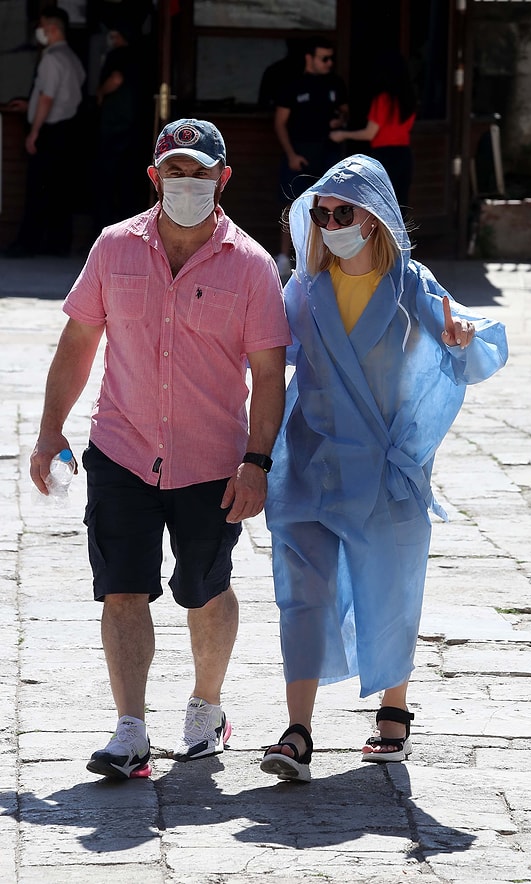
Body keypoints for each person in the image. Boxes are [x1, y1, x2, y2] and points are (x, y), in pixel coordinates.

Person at [30, 118, 291, 780]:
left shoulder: (255, 267)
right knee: (122, 590)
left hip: (212, 462)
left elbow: (268, 374)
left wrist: (257, 463)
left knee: (205, 589)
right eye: (174, 170)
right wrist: (49, 429)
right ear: (154, 176)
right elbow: (79, 343)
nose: (187, 182)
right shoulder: (114, 249)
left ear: (223, 178)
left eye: (200, 171)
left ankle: (206, 709)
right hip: (122, 450)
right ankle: (130, 731)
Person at [260, 154, 508, 783]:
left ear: (374, 218)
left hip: (383, 466)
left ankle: (393, 715)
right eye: (322, 212)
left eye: (344, 211)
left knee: (390, 586)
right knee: (302, 593)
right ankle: (297, 731)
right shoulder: (301, 290)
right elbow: (260, 356)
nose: (332, 222)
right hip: (308, 459)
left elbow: (474, 345)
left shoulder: (413, 285)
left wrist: (462, 339)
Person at [5, 6, 85, 257]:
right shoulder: (72, 57)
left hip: (50, 131)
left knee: (38, 190)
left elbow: (48, 99)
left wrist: (34, 130)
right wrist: (30, 105)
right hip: (68, 131)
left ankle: (28, 244)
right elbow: (64, 96)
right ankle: (57, 245)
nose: (38, 32)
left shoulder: (51, 58)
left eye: (40, 27)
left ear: (51, 29)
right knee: (60, 191)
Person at [273, 37, 348, 280]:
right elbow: (280, 122)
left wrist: (340, 122)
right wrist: (291, 154)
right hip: (299, 152)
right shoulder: (293, 85)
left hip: (328, 153)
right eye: (324, 58)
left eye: (331, 59)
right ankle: (284, 257)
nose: (329, 63)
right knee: (291, 203)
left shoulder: (335, 83)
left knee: (329, 204)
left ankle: (328, 257)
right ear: (310, 58)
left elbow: (346, 113)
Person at [329, 49, 417, 208]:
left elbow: (369, 133)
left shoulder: (383, 100)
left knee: (380, 206)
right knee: (400, 206)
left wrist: (342, 134)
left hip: (385, 156)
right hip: (404, 155)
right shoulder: (408, 100)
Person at [94, 22, 146, 231]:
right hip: (135, 128)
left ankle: (104, 232)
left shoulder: (119, 55)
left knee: (107, 182)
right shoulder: (143, 57)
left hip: (116, 127)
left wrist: (100, 91)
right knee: (130, 184)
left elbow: (116, 79)